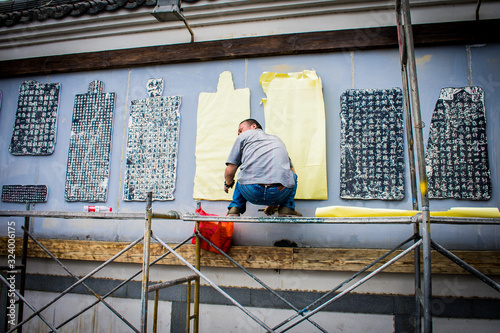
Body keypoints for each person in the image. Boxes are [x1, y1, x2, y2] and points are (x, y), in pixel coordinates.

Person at [223, 119, 302, 217]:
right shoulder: (277, 140)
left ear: (254, 126)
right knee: (292, 176)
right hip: (279, 193)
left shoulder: (244, 136)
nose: (239, 134)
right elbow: (291, 174)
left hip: (251, 191)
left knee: (243, 174)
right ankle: (287, 208)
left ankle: (235, 208)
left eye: (240, 130)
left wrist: (228, 183)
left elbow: (229, 171)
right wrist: (273, 202)